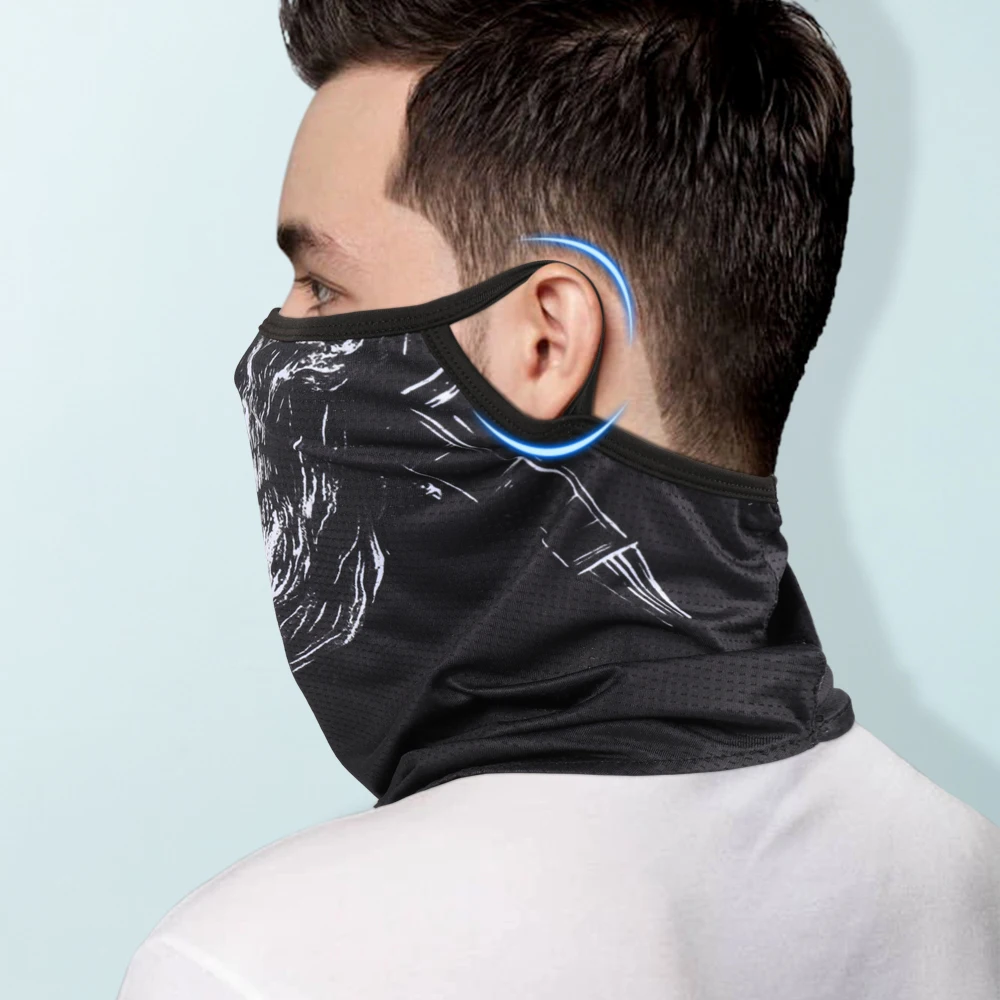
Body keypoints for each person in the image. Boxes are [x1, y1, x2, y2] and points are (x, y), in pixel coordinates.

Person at [116, 2, 1000, 997]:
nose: (273, 343)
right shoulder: (963, 875)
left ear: (546, 342)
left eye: (322, 287)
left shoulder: (265, 963)